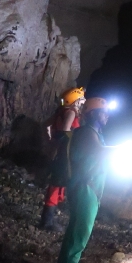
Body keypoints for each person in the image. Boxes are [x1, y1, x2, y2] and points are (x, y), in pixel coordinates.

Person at [55, 97, 114, 263]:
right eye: (104, 112)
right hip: (85, 188)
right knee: (80, 233)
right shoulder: (87, 133)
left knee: (76, 231)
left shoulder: (93, 133)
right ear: (94, 114)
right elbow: (100, 152)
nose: (107, 116)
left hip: (88, 187)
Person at [40, 87, 85, 231]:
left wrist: (51, 140)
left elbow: (45, 125)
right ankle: (47, 221)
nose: (82, 102)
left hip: (58, 152)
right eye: (80, 100)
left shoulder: (60, 111)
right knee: (57, 184)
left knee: (57, 183)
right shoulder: (71, 112)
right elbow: (66, 131)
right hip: (65, 155)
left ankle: (49, 218)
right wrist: (74, 144)